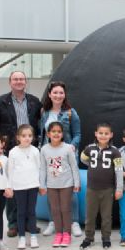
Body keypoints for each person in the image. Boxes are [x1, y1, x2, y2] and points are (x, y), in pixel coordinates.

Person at [0, 71, 41, 238]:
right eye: (15, 79)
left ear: (26, 82)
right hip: (9, 151)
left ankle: (29, 223)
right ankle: (13, 224)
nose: (19, 81)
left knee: (29, 186)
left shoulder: (34, 102)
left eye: (21, 79)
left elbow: (38, 126)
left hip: (30, 150)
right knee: (11, 186)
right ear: (10, 82)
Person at [38, 81, 83, 238]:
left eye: (61, 92)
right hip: (50, 156)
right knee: (52, 190)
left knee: (70, 190)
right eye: (55, 92)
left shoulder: (71, 113)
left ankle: (74, 222)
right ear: (50, 94)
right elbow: (42, 135)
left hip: (66, 156)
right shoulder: (44, 113)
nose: (58, 95)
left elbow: (77, 133)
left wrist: (73, 146)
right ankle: (53, 222)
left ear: (64, 95)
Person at [79, 123, 123, 250]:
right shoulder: (89, 148)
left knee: (106, 216)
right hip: (91, 189)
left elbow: (119, 170)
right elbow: (83, 159)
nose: (103, 136)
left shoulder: (115, 152)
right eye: (101, 133)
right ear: (96, 134)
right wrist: (93, 165)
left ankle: (106, 238)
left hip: (107, 189)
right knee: (90, 215)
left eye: (106, 133)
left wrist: (119, 188)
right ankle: (88, 238)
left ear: (111, 135)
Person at [39, 121, 80, 248]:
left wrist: (76, 182)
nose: (56, 134)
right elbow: (43, 168)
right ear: (48, 134)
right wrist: (42, 184)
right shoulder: (44, 149)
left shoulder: (68, 148)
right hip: (51, 185)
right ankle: (58, 233)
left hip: (66, 184)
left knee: (65, 209)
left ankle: (67, 234)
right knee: (55, 210)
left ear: (62, 134)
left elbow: (74, 166)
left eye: (59, 131)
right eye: (53, 131)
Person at [7, 124, 41, 250]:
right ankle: (21, 237)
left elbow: (39, 168)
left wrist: (41, 184)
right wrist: (9, 187)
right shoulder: (13, 152)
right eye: (24, 136)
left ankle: (33, 236)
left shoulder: (35, 151)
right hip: (19, 187)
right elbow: (10, 171)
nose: (27, 138)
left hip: (32, 186)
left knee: (31, 212)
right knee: (21, 212)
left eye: (30, 136)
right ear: (18, 137)